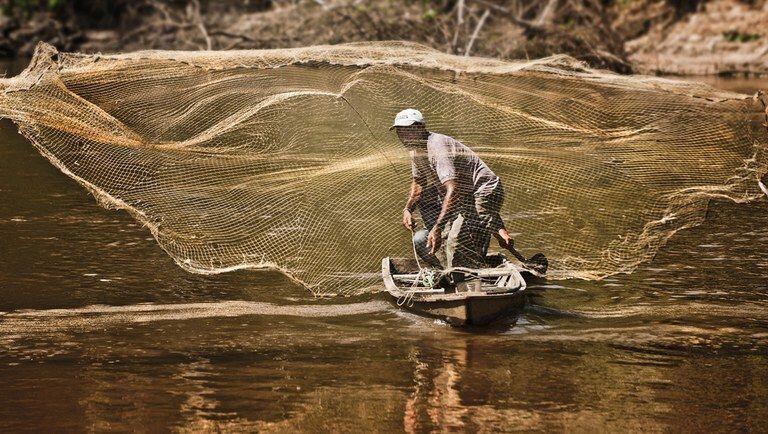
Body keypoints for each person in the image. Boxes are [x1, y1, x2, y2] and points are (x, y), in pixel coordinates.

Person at [390, 108, 521, 269]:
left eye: (407, 131)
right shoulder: (415, 150)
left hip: (484, 190)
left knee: (456, 240)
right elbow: (419, 182)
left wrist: (437, 227)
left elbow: (453, 189)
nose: (403, 137)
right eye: (399, 132)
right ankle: (451, 269)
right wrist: (407, 209)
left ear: (420, 128)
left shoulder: (437, 146)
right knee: (430, 237)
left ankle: (471, 266)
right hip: (462, 196)